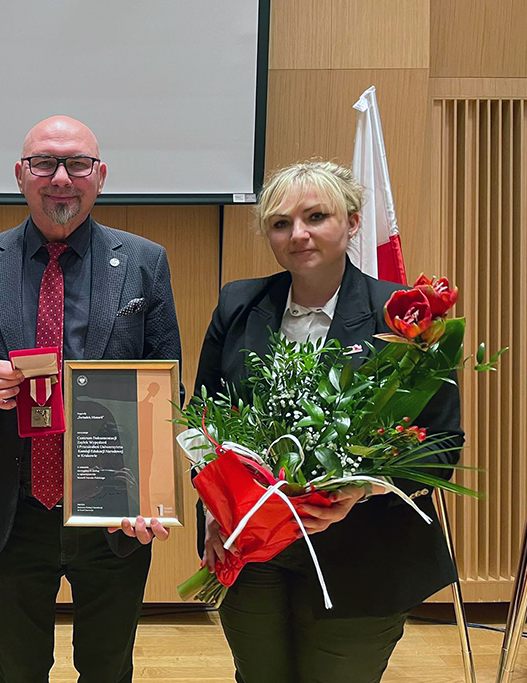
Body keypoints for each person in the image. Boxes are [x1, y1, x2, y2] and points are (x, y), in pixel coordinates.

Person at [192, 160, 464, 683]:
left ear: (353, 222)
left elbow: (442, 444)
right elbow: (206, 417)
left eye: (316, 216)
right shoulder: (238, 304)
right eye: (280, 223)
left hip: (366, 554)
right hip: (251, 551)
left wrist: (359, 490)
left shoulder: (405, 315)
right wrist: (213, 511)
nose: (298, 234)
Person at [0, 116, 181, 682]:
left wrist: (151, 490)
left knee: (108, 667)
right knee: (18, 669)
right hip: (13, 511)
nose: (61, 177)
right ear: (21, 175)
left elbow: (168, 390)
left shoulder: (144, 262)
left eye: (78, 164)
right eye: (45, 163)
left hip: (114, 513)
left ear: (101, 175)